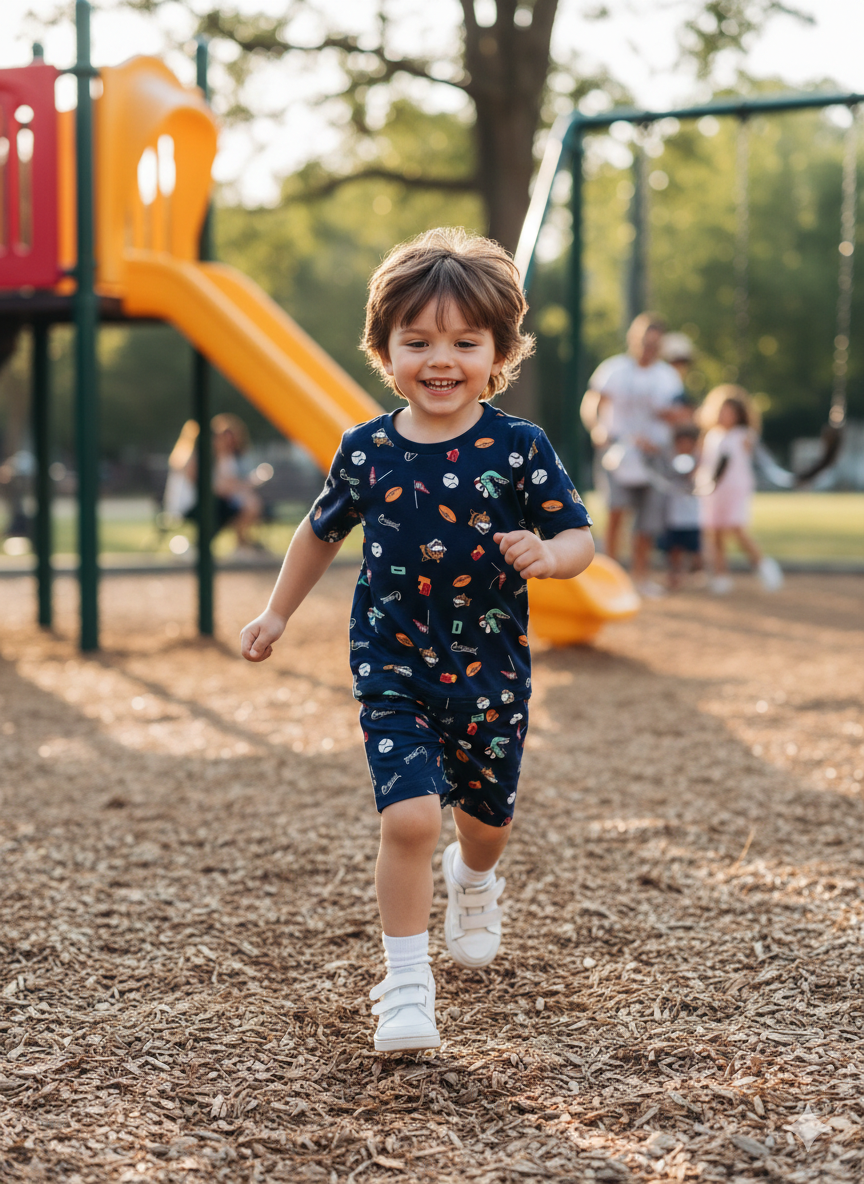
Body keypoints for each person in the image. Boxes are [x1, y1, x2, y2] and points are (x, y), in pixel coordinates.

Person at [239, 228, 595, 1053]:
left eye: (466, 342)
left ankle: (474, 878)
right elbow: (320, 533)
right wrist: (277, 613)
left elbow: (579, 537)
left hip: (489, 670)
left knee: (485, 822)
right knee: (408, 819)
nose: (442, 359)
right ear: (385, 351)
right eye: (419, 341)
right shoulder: (367, 450)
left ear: (499, 354)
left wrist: (551, 556)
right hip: (391, 661)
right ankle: (406, 987)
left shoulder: (520, 448)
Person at [581, 313, 683, 597]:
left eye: (655, 344)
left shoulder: (668, 376)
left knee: (648, 521)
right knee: (616, 512)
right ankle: (610, 578)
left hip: (654, 454)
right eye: (645, 342)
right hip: (619, 452)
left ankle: (641, 576)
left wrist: (668, 416)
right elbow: (592, 403)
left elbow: (680, 414)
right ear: (634, 340)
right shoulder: (613, 369)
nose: (649, 349)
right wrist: (597, 428)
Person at [694, 385, 783, 593]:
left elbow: (759, 456)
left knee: (736, 528)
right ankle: (720, 575)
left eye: (730, 412)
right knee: (714, 531)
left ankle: (763, 566)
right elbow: (702, 462)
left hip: (735, 488)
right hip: (712, 489)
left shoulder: (744, 435)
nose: (724, 416)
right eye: (722, 411)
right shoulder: (711, 436)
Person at [163, 414, 264, 552]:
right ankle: (202, 546)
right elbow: (213, 487)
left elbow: (226, 482)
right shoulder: (193, 457)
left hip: (205, 502)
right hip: (188, 506)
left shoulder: (219, 457)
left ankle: (239, 544)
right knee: (224, 508)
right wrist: (245, 486)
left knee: (238, 505)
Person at [656, 423, 701, 590]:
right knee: (673, 548)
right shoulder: (669, 460)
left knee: (695, 548)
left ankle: (695, 571)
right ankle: (675, 574)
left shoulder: (699, 461)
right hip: (673, 514)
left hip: (693, 515)